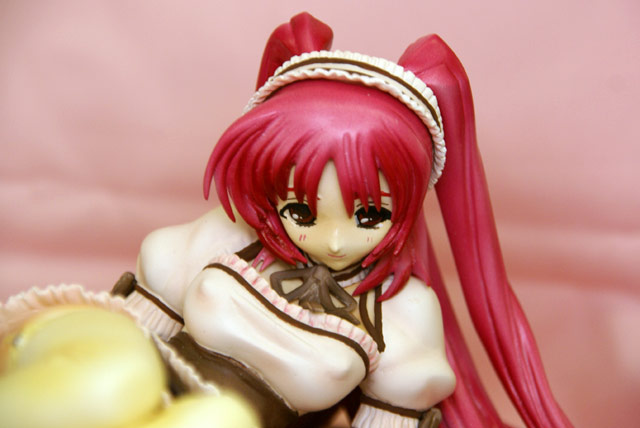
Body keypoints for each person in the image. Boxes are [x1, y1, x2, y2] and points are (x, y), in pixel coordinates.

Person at [121, 12, 573, 428]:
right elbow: (130, 337)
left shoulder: (403, 313)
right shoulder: (229, 236)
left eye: (370, 216)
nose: (335, 241)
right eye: (301, 212)